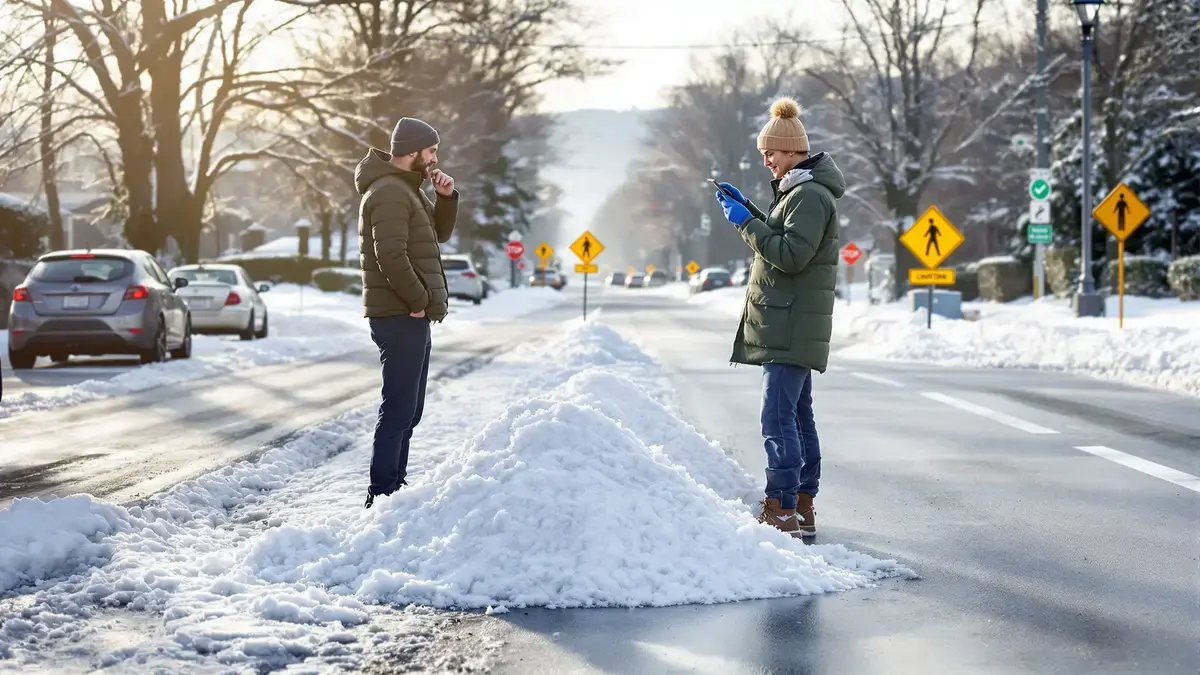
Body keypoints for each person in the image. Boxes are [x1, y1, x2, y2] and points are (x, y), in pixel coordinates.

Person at [712, 96, 845, 537]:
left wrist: (743, 224)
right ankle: (801, 505)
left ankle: (782, 509)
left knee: (778, 419)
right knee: (797, 415)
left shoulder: (807, 196)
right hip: (790, 323)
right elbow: (784, 239)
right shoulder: (799, 193)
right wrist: (751, 211)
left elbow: (789, 256)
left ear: (793, 152)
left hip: (789, 325)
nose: (766, 160)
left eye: (771, 153)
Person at [355, 117, 458, 509]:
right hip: (399, 315)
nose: (435, 159)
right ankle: (381, 496)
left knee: (409, 411)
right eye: (431, 151)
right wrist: (418, 301)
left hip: (410, 314)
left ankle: (393, 491)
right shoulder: (390, 193)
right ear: (412, 152)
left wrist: (445, 197)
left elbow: (436, 235)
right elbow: (390, 256)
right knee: (398, 410)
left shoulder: (408, 190)